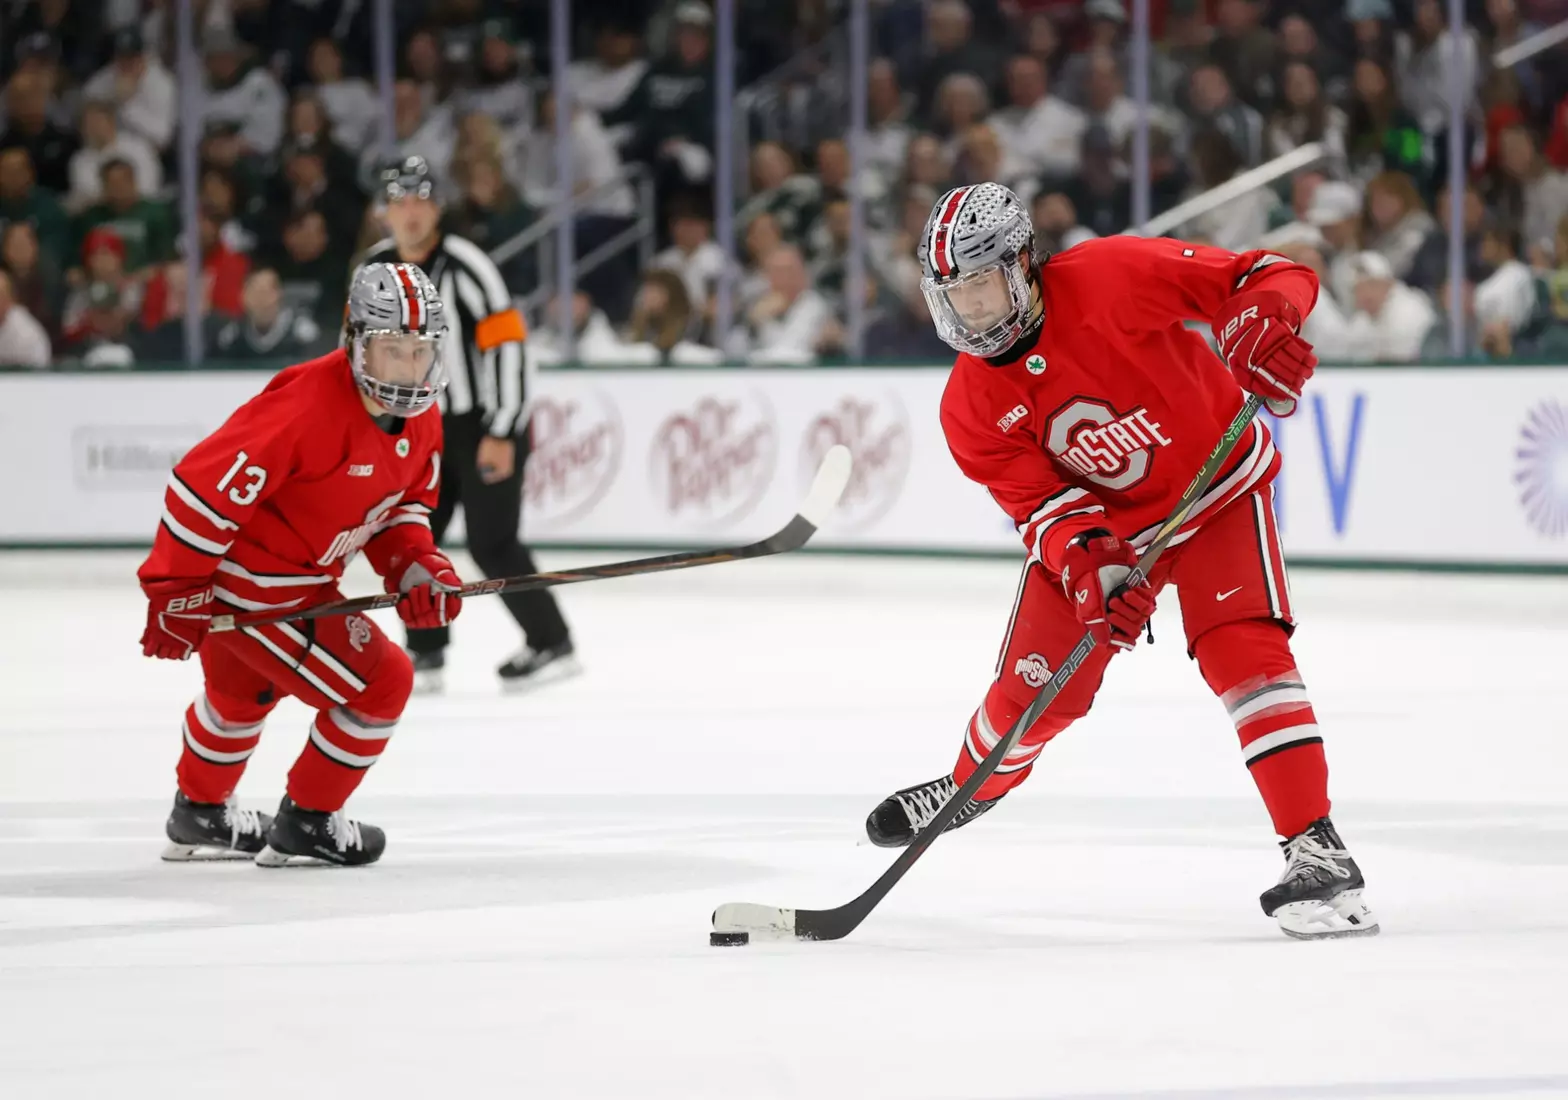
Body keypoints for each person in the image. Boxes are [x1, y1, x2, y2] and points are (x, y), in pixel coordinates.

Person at [866, 181, 1378, 941]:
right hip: (1107, 529)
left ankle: (1317, 848)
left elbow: (1267, 274)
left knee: (1245, 654)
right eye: (955, 292)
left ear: (1023, 263)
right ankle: (971, 785)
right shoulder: (969, 404)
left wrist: (1261, 321)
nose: (971, 309)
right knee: (1034, 695)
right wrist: (1093, 569)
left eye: (983, 284)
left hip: (1216, 493)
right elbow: (1041, 506)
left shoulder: (1112, 275)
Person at [136, 263, 460, 867]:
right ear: (356, 339)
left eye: (420, 352)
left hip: (285, 580)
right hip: (262, 587)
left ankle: (199, 811)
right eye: (392, 350)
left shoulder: (424, 418)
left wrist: (416, 565)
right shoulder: (308, 407)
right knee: (383, 683)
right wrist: (174, 589)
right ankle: (308, 818)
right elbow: (201, 491)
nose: (408, 368)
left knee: (240, 695)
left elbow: (402, 507)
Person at [359, 156, 576, 693]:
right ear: (384, 211)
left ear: (437, 208)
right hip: (415, 429)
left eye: (420, 201)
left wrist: (502, 430)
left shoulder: (467, 264)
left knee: (493, 542)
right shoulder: (374, 270)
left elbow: (509, 349)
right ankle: (425, 655)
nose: (410, 214)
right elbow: (357, 351)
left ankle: (551, 642)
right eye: (399, 203)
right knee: (413, 540)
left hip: (479, 423)